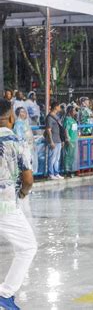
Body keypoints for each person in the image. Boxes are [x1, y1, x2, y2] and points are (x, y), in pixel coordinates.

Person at [0, 99, 37, 310]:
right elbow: (28, 179)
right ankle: (5, 294)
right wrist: (23, 193)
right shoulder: (16, 142)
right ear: (11, 117)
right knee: (27, 247)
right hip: (4, 205)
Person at [13, 107, 37, 173]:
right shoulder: (18, 124)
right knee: (26, 167)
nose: (26, 113)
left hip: (28, 149)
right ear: (20, 113)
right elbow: (19, 138)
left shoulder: (23, 123)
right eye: (24, 112)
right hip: (24, 151)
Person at [45, 102, 65, 179]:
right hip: (53, 140)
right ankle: (51, 173)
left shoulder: (57, 117)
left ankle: (56, 172)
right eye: (59, 107)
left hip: (58, 139)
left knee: (57, 158)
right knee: (52, 157)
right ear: (56, 107)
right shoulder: (49, 117)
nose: (60, 108)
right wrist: (51, 141)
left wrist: (62, 140)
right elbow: (48, 130)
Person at [63, 106, 79, 177]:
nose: (75, 112)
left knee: (73, 156)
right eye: (73, 111)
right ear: (70, 112)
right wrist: (67, 139)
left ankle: (73, 169)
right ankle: (67, 170)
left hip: (75, 139)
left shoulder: (73, 119)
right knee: (68, 155)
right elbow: (66, 130)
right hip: (70, 140)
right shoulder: (67, 120)